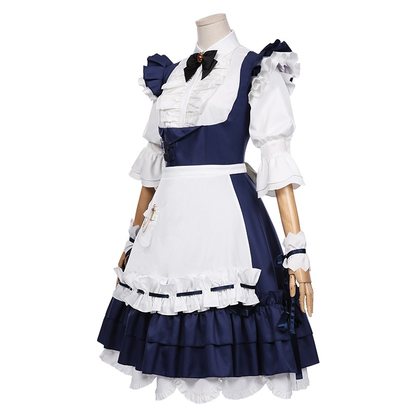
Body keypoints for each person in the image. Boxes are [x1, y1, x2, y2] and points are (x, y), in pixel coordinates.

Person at [97, 13, 319, 403]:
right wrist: (133, 239)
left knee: (228, 308)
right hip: (165, 231)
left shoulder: (257, 68)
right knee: (167, 315)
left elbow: (276, 159)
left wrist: (296, 251)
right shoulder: (170, 76)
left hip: (226, 221)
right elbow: (153, 170)